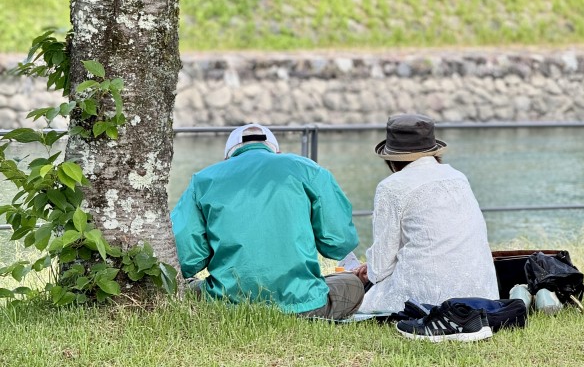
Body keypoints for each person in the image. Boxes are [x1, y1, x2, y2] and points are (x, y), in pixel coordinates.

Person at [171, 123, 364, 319]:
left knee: (188, 286)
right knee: (353, 284)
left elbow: (184, 258)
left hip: (226, 304)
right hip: (301, 306)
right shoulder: (308, 169)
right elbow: (339, 242)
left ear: (227, 158)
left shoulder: (203, 180)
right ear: (276, 152)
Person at [355, 113, 499, 313]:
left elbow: (380, 268)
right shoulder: (458, 177)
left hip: (430, 296)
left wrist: (368, 271)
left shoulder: (391, 187)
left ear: (391, 158)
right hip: (483, 292)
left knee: (359, 301)